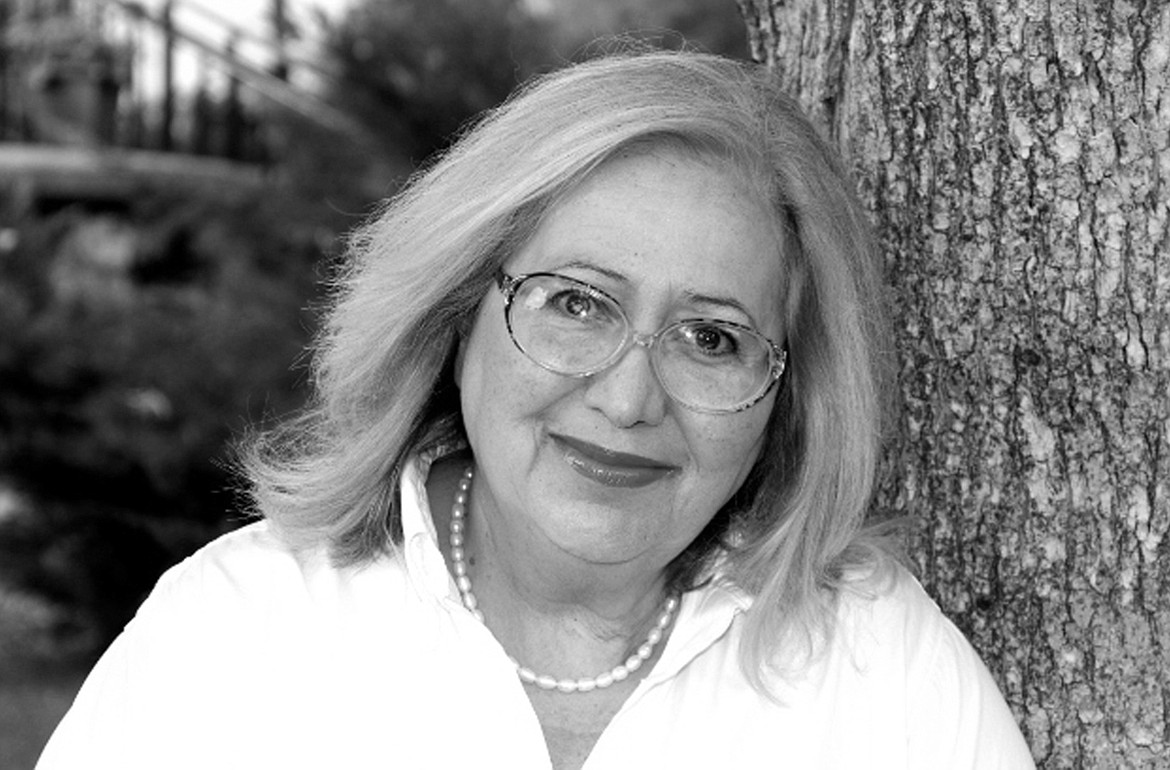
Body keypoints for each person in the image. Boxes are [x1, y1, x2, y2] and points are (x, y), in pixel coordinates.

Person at [37, 50, 1035, 769]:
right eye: (577, 304)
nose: (629, 399)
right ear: (459, 309)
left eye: (712, 337)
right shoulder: (236, 634)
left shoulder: (882, 667)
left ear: (789, 391)